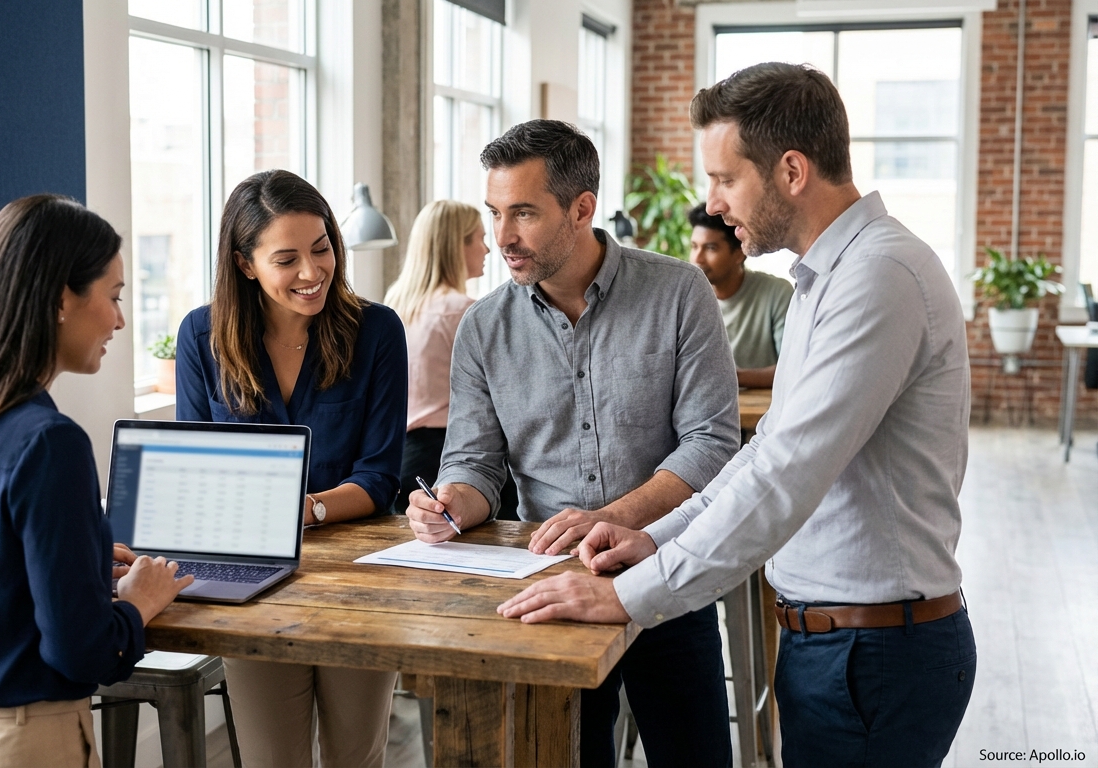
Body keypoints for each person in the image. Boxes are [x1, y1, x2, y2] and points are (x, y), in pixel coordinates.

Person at [498, 63, 976, 768]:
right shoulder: (825, 277)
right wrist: (655, 539)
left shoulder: (879, 276)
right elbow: (762, 454)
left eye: (725, 178)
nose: (712, 202)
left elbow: (785, 477)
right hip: (837, 646)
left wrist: (628, 598)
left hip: (875, 655)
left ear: (790, 170)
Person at [405, 120, 740, 768]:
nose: (502, 237)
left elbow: (711, 442)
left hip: (668, 565)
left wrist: (611, 518)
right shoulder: (482, 327)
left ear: (581, 208)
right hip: (551, 585)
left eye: (524, 213)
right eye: (495, 213)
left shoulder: (678, 293)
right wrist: (449, 504)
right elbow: (476, 462)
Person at [0, 195, 188, 768]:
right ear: (59, 300)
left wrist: (85, 561)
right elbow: (83, 652)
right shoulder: (49, 442)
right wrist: (136, 603)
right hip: (11, 744)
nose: (120, 320)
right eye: (114, 296)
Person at [174, 169, 408, 768]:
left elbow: (380, 477)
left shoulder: (377, 331)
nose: (312, 272)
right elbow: (193, 470)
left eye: (322, 248)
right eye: (287, 259)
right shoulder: (202, 337)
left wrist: (309, 508)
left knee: (356, 755)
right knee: (271, 759)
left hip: (356, 581)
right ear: (245, 263)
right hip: (245, 580)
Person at [383, 200, 489, 513]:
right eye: (479, 239)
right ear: (457, 246)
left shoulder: (395, 306)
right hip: (445, 456)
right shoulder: (464, 312)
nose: (487, 249)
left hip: (400, 454)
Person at [689, 203, 793, 388]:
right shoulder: (687, 299)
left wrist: (730, 377)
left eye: (711, 248)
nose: (697, 258)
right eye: (694, 246)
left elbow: (794, 367)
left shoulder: (776, 293)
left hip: (762, 411)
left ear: (739, 253)